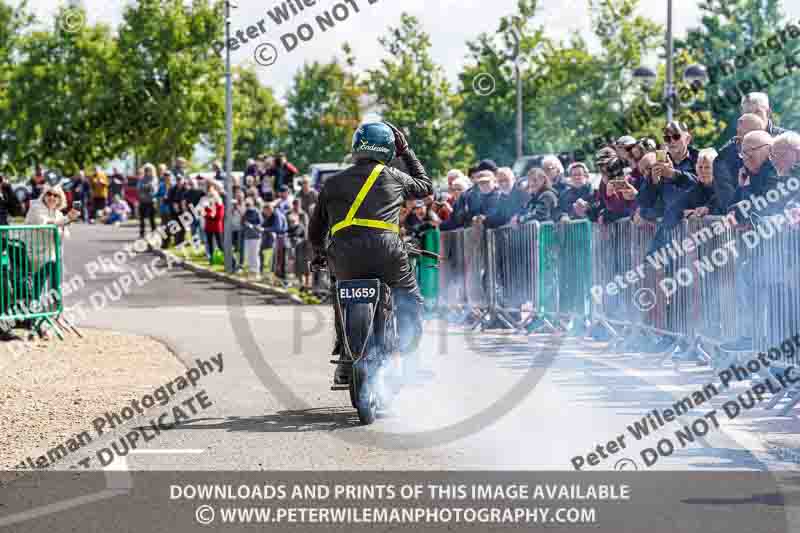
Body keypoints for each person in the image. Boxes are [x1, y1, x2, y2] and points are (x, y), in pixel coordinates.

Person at [308, 121, 432, 384]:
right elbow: (425, 186)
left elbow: (315, 229)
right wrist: (407, 151)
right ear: (388, 149)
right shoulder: (394, 176)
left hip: (344, 256)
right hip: (387, 253)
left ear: (356, 148)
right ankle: (410, 361)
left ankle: (344, 360)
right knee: (411, 301)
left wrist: (319, 252)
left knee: (340, 296)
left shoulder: (332, 183)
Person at [23, 184, 80, 313]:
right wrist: (65, 221)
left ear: (60, 199)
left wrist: (63, 222)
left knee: (57, 265)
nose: (52, 197)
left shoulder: (58, 213)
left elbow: (64, 235)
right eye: (49, 194)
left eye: (56, 195)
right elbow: (46, 227)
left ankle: (53, 305)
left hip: (48, 255)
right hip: (32, 253)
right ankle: (47, 306)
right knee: (53, 265)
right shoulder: (36, 208)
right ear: (44, 196)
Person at [713, 113, 766, 212]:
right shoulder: (723, 159)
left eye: (743, 132)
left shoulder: (773, 158)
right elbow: (724, 194)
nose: (739, 137)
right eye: (738, 131)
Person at [242, 197, 263, 280]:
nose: (247, 206)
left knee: (254, 255)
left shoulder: (256, 212)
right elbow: (243, 222)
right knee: (249, 255)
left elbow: (260, 224)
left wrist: (252, 226)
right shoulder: (246, 212)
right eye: (246, 205)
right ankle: (251, 272)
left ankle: (256, 272)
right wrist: (245, 224)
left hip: (255, 236)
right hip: (247, 236)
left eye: (248, 204)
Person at [203, 189, 225, 262]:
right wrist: (211, 215)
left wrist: (210, 215)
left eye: (212, 196)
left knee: (220, 244)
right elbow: (204, 214)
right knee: (210, 244)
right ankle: (212, 259)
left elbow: (219, 216)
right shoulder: (207, 205)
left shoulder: (219, 204)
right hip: (208, 227)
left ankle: (223, 258)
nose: (211, 197)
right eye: (210, 196)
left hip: (217, 227)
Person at [137, 163, 158, 237]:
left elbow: (153, 189)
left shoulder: (154, 178)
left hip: (151, 201)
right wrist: (146, 187)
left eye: (149, 170)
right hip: (143, 201)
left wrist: (146, 187)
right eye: (146, 170)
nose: (147, 171)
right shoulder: (142, 179)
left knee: (152, 219)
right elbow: (139, 188)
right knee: (142, 219)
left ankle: (154, 233)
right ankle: (142, 233)